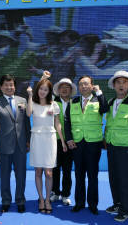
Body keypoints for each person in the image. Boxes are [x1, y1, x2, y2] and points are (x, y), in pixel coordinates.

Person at [64, 75, 109, 215]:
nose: (84, 86)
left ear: (92, 85)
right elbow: (67, 122)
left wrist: (100, 93)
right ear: (78, 86)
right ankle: (79, 203)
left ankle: (93, 204)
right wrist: (69, 139)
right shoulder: (73, 102)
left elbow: (105, 109)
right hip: (77, 144)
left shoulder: (98, 100)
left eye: (86, 84)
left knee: (92, 175)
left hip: (93, 144)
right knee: (78, 174)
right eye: (81, 84)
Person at [104, 70, 128, 222]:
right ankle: (117, 204)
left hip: (126, 148)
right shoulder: (111, 102)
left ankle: (125, 209)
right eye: (118, 82)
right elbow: (109, 124)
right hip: (112, 146)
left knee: (124, 179)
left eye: (124, 82)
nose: (121, 85)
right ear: (113, 85)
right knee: (113, 177)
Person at [0, 74, 31, 213]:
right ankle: (5, 201)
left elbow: (26, 123)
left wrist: (28, 140)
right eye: (6, 85)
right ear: (1, 87)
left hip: (20, 144)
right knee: (4, 175)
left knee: (21, 175)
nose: (9, 87)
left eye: (11, 84)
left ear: (15, 86)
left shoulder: (22, 100)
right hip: (4, 145)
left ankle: (20, 201)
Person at [26, 72, 67, 214]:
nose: (42, 91)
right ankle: (41, 198)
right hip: (36, 138)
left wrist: (62, 141)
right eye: (40, 89)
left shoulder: (54, 105)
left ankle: (48, 199)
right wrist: (31, 95)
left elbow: (57, 124)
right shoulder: (33, 103)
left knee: (49, 173)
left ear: (49, 92)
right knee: (38, 171)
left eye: (46, 89)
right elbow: (28, 113)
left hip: (50, 139)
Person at [50, 78, 77, 206]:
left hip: (71, 142)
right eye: (62, 87)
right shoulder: (52, 102)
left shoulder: (76, 103)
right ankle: (55, 192)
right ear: (58, 90)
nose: (65, 89)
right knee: (55, 169)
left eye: (67, 87)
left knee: (67, 170)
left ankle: (66, 194)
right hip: (55, 141)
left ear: (71, 90)